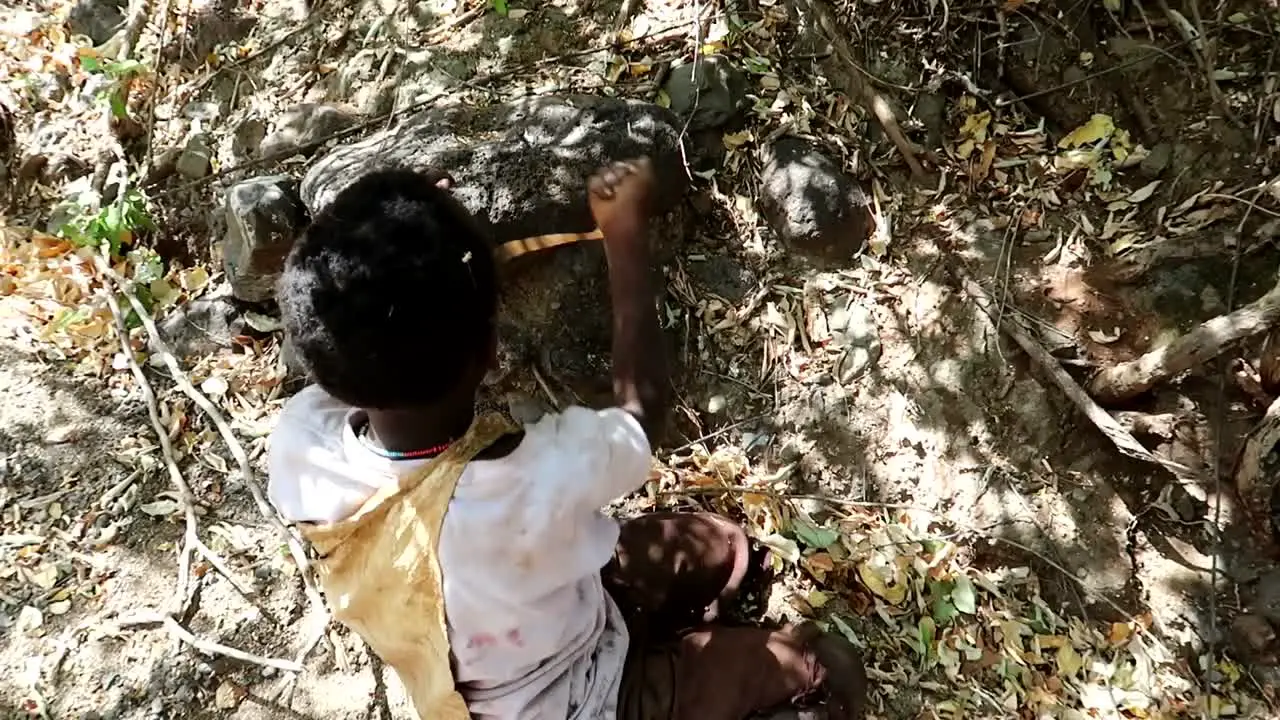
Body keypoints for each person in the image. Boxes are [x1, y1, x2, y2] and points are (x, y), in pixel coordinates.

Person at [266, 158, 869, 720]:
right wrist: (624, 238)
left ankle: (682, 637)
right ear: (491, 355)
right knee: (829, 667)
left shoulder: (299, 444)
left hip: (507, 644)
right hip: (583, 700)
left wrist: (417, 223)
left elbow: (349, 318)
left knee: (720, 545)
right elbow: (643, 411)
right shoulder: (527, 479)